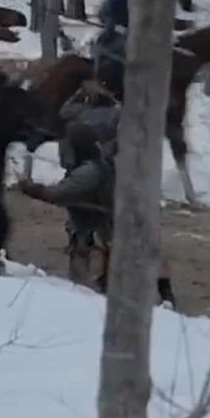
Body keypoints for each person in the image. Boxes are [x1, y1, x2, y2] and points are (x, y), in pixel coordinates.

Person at [20, 119, 177, 308]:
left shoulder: (90, 172)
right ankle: (164, 295)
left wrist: (33, 190)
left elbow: (57, 195)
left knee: (85, 288)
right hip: (126, 223)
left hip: (99, 233)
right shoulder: (111, 163)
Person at [91, 0, 129, 92]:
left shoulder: (127, 2)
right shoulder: (115, 3)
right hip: (117, 36)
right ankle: (97, 78)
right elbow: (109, 29)